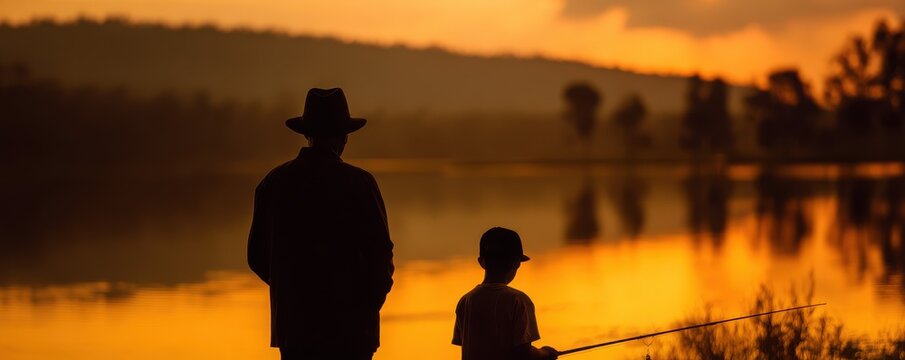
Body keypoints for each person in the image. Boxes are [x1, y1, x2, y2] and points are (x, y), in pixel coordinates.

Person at [247, 88, 394, 360]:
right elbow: (381, 255)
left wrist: (293, 288)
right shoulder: (360, 183)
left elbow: (257, 257)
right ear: (344, 137)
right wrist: (366, 306)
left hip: (295, 331)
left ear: (306, 133)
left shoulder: (273, 183)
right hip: (353, 332)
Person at [452, 227, 559, 360]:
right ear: (517, 264)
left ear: (481, 262)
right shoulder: (518, 300)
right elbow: (524, 353)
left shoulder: (465, 301)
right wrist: (544, 354)